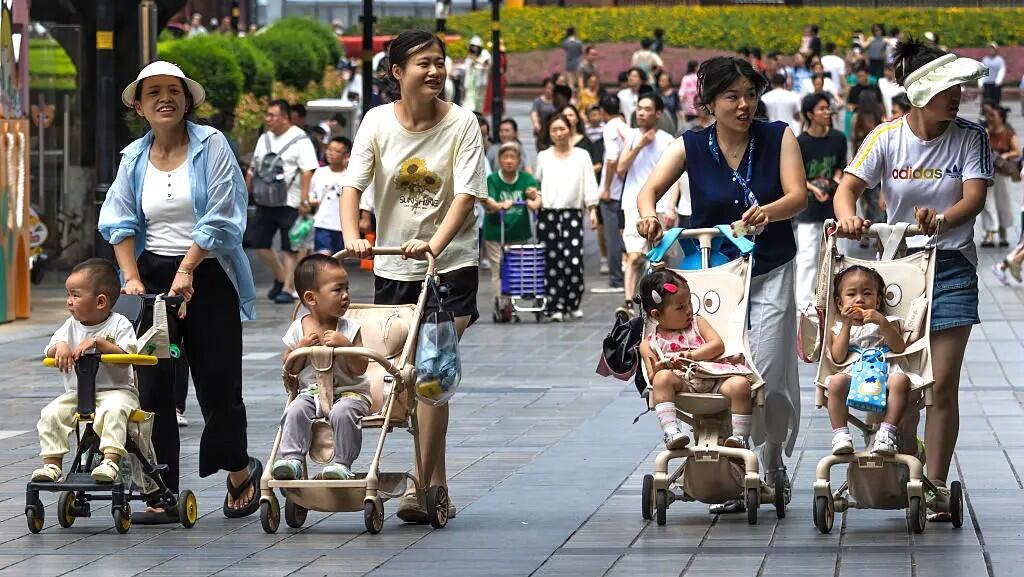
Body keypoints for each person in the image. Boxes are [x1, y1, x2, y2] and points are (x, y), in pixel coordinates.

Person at [636, 56, 808, 511]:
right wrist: (650, 215)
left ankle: (769, 461)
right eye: (732, 96)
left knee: (766, 373)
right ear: (708, 103)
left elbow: (798, 195)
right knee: (713, 373)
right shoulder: (689, 145)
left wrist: (767, 212)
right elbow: (647, 191)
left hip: (770, 267)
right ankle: (726, 466)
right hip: (712, 281)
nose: (744, 104)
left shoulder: (778, 137)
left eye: (750, 94)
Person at [832, 39, 990, 522]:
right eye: (948, 89)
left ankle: (936, 487)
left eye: (960, 88)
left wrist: (941, 219)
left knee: (939, 385)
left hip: (951, 268)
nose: (958, 96)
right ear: (920, 93)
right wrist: (850, 218)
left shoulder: (971, 136)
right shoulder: (884, 137)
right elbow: (848, 189)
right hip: (897, 276)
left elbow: (974, 198)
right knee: (904, 384)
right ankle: (904, 472)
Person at [98, 61, 260, 519]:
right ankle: (160, 488)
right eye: (153, 93)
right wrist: (130, 277)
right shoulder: (133, 157)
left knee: (217, 380)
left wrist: (188, 269)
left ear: (188, 101)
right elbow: (120, 221)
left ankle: (237, 469)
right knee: (153, 387)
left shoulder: (212, 145)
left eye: (174, 91)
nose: (164, 99)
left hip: (207, 273)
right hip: (151, 279)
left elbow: (224, 215)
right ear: (139, 106)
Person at [340, 31, 486, 523]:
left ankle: (424, 485)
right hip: (391, 268)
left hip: (451, 266)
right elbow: (352, 185)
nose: (435, 71)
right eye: (423, 63)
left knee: (430, 373)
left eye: (440, 63)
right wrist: (352, 234)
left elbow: (466, 196)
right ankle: (432, 483)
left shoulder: (463, 124)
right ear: (397, 72)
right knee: (400, 379)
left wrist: (434, 244)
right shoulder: (377, 122)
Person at [32, 259, 139, 484]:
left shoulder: (120, 325)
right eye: (68, 295)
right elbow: (51, 348)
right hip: (78, 394)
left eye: (75, 295)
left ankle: (110, 461)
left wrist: (99, 343)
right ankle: (52, 465)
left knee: (113, 411)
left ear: (100, 302)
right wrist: (59, 347)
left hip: (116, 391)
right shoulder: (71, 325)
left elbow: (127, 355)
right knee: (51, 413)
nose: (69, 302)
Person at [274, 254, 370, 481]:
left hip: (350, 393)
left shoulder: (349, 328)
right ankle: (292, 459)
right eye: (338, 290)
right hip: (312, 394)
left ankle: (342, 463)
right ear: (311, 298)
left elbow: (360, 368)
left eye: (347, 288)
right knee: (296, 409)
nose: (346, 296)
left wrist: (346, 346)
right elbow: (290, 366)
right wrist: (300, 348)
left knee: (343, 412)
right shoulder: (299, 327)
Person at [638, 269, 754, 450]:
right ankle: (671, 432)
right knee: (661, 379)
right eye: (680, 307)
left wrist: (691, 355)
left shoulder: (697, 323)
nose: (689, 310)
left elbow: (717, 345)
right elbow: (652, 376)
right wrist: (661, 368)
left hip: (713, 377)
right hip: (682, 384)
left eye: (689, 302)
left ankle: (740, 437)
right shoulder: (649, 344)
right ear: (656, 315)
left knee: (740, 385)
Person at [825, 265, 912, 455]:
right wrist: (846, 326)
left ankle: (886, 433)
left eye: (867, 293)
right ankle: (841, 435)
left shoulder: (889, 321)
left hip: (886, 370)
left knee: (901, 381)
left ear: (878, 301)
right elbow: (838, 357)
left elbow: (899, 347)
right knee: (836, 382)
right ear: (840, 304)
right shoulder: (838, 328)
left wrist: (882, 323)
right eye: (851, 294)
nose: (860, 300)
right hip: (854, 372)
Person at [247, 99, 320, 305]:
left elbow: (307, 170)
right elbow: (254, 168)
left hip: (290, 201)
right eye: (267, 114)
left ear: (285, 118)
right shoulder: (264, 138)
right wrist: (246, 190)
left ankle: (288, 288)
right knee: (260, 245)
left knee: (290, 248)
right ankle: (280, 277)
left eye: (272, 115)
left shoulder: (300, 139)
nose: (267, 119)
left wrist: (304, 199)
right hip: (264, 201)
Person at [534, 113, 600, 321]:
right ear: (549, 133)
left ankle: (572, 302)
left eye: (562, 129)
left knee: (573, 262)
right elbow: (537, 184)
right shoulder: (543, 156)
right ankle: (555, 305)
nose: (559, 133)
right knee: (551, 262)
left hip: (572, 214)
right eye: (554, 130)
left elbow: (589, 182)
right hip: (548, 215)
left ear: (570, 130)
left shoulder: (581, 155)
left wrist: (592, 209)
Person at [617, 94, 676, 319]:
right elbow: (621, 168)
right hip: (632, 204)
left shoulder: (668, 140)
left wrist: (671, 206)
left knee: (661, 258)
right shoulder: (632, 136)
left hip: (660, 205)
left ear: (658, 113)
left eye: (647, 109)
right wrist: (639, 145)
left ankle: (660, 302)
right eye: (639, 108)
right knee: (633, 256)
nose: (641, 113)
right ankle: (628, 302)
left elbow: (677, 178)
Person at [795, 93, 846, 308]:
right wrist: (814, 189)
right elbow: (796, 176)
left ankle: (835, 296)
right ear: (809, 114)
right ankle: (804, 304)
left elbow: (840, 168)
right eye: (822, 109)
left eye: (828, 108)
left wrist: (835, 180)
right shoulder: (800, 143)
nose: (827, 112)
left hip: (832, 205)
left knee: (835, 253)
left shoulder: (838, 138)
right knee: (807, 256)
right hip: (808, 208)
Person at [483, 142, 542, 300]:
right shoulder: (492, 179)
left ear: (519, 160)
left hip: (519, 232)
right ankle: (501, 305)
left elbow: (537, 197)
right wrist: (500, 205)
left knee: (519, 269)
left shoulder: (526, 179)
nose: (509, 161)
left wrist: (533, 200)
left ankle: (516, 301)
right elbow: (487, 201)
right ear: (499, 160)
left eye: (513, 157)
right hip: (497, 232)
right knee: (499, 270)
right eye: (505, 157)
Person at [592, 94, 628, 295]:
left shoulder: (610, 128)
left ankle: (616, 278)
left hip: (613, 191)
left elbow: (612, 159)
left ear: (603, 112)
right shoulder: (625, 127)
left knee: (612, 236)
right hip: (624, 187)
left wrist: (605, 187)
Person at [310, 137, 360, 256]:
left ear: (346, 155)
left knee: (339, 258)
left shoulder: (350, 175)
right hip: (322, 223)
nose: (331, 153)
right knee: (324, 256)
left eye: (336, 151)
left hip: (342, 226)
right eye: (329, 149)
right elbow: (312, 192)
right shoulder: (320, 172)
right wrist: (311, 200)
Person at [980, 101, 1019, 249]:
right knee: (987, 205)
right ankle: (988, 234)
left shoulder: (1008, 133)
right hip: (988, 173)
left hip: (1003, 173)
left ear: (1000, 117)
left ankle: (1003, 234)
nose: (989, 117)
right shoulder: (986, 132)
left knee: (1003, 204)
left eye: (992, 115)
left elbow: (1017, 151)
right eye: (988, 115)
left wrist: (1007, 155)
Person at [561, 103, 602, 176]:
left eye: (571, 115)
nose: (567, 118)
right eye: (565, 116)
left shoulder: (587, 141)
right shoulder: (557, 142)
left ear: (577, 119)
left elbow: (598, 165)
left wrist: (581, 174)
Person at [463, 36, 491, 112]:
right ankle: (469, 111)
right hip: (471, 79)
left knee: (479, 98)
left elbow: (486, 63)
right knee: (470, 96)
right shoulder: (469, 56)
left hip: (480, 80)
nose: (474, 48)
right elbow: (466, 66)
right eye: (473, 46)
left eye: (476, 46)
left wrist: (475, 60)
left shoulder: (485, 53)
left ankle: (478, 112)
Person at [530, 78, 557, 150]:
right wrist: (536, 124)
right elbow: (534, 113)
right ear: (544, 88)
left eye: (552, 88)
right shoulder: (538, 101)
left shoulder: (558, 101)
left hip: (555, 130)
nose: (549, 90)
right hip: (542, 131)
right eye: (548, 88)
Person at [678, 60, 700, 128]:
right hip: (698, 107)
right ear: (695, 67)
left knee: (690, 126)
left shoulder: (686, 78)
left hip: (688, 108)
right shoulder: (699, 78)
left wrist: (681, 105)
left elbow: (681, 93)